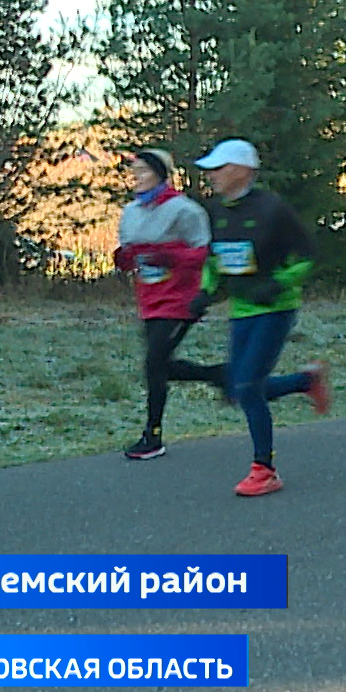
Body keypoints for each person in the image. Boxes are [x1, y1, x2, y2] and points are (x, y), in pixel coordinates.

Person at [191, 139, 331, 497]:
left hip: (276, 308)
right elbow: (214, 259)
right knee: (241, 388)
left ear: (242, 170)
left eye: (219, 169)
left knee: (249, 387)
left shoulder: (273, 209)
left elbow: (308, 254)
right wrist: (206, 291)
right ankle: (306, 381)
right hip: (241, 310)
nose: (212, 176)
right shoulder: (216, 211)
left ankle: (264, 470)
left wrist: (278, 283)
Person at [113, 149, 228, 460]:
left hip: (182, 300)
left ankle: (152, 436)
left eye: (143, 171)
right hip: (149, 299)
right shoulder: (131, 212)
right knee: (159, 365)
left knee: (154, 365)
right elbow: (130, 256)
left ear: (161, 174)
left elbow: (205, 254)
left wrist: (168, 256)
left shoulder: (185, 211)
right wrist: (124, 258)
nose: (135, 176)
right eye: (133, 170)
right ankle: (222, 376)